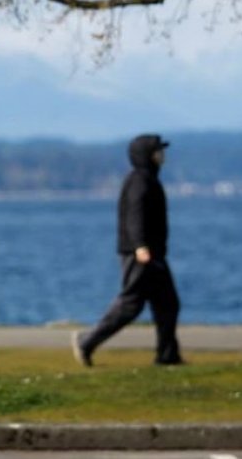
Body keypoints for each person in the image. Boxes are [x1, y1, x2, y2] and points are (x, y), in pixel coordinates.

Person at [72, 133, 183, 367]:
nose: (162, 154)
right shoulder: (140, 181)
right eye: (158, 150)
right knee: (131, 304)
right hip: (140, 254)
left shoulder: (148, 178)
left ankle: (167, 356)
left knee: (167, 303)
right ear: (147, 155)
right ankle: (86, 342)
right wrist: (140, 246)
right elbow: (135, 215)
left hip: (153, 253)